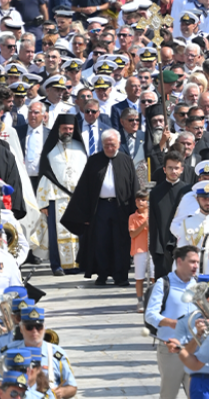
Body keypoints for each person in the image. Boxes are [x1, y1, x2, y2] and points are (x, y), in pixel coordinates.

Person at [144, 246, 201, 399]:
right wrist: (172, 323)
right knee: (168, 395)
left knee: (196, 396)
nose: (196, 266)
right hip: (171, 349)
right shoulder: (164, 284)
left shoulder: (198, 285)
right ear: (179, 261)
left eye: (197, 261)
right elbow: (150, 315)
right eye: (192, 261)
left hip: (194, 349)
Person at [63, 129, 137, 286]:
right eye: (107, 145)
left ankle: (120, 276)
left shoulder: (126, 160)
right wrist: (84, 215)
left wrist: (135, 212)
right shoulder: (94, 161)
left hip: (120, 208)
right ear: (102, 145)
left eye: (113, 145)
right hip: (100, 208)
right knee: (100, 242)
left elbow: (134, 186)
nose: (110, 148)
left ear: (118, 144)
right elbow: (84, 188)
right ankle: (102, 274)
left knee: (120, 243)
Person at [36, 114, 87, 276]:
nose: (68, 132)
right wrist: (43, 202)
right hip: (56, 199)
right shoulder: (50, 149)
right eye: (65, 128)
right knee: (56, 234)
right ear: (58, 128)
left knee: (77, 233)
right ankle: (57, 266)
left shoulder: (80, 148)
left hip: (78, 199)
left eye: (71, 129)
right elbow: (45, 175)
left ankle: (77, 264)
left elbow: (86, 175)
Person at [148, 151, 190, 278]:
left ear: (182, 169)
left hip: (183, 244)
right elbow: (153, 222)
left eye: (176, 168)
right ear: (164, 169)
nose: (173, 171)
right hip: (162, 246)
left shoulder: (188, 192)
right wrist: (156, 248)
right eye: (170, 168)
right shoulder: (155, 193)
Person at [130, 189, 151, 310]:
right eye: (138, 200)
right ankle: (140, 301)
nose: (140, 202)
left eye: (143, 200)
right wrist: (144, 225)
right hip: (139, 250)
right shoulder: (133, 217)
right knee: (140, 277)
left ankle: (153, 300)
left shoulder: (152, 215)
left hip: (151, 249)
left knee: (153, 276)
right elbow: (133, 234)